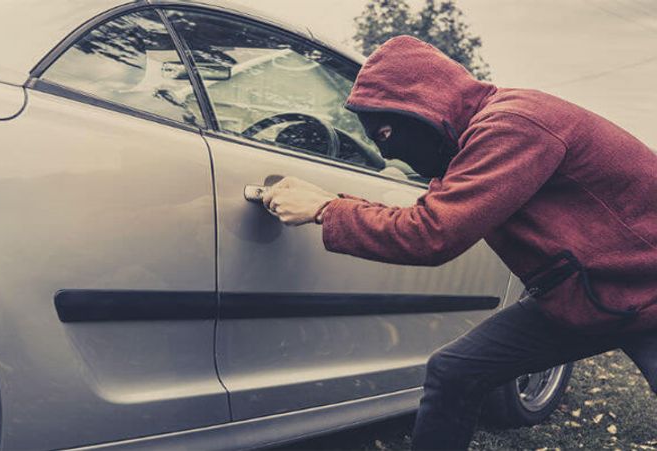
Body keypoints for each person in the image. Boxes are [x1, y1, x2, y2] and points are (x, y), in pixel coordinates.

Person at [261, 35, 657, 450]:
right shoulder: (479, 139)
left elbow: (432, 234)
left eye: (386, 132)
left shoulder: (514, 124)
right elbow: (430, 212)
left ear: (422, 105)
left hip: (647, 291)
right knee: (455, 372)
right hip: (587, 297)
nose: (391, 153)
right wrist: (338, 203)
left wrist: (327, 209)